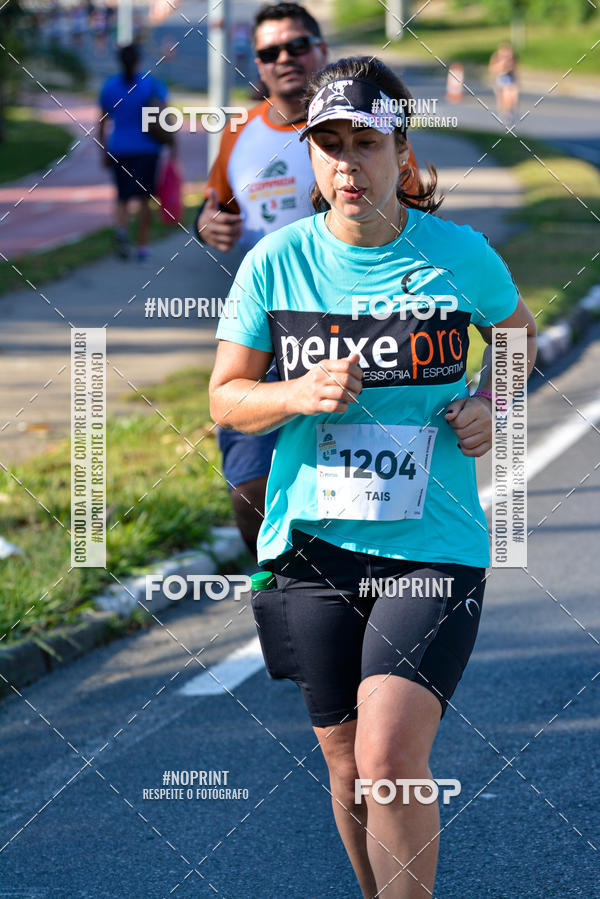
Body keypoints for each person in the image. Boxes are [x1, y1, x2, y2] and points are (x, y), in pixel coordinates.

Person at [209, 57, 537, 896]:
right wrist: (294, 391)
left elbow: (517, 339)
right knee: (348, 763)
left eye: (366, 143)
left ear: (402, 152)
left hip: (434, 542)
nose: (347, 165)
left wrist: (492, 404)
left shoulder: (459, 255)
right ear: (309, 156)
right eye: (329, 146)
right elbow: (227, 397)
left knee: (391, 754)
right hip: (314, 544)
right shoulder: (275, 264)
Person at [197, 2, 419, 558]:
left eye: (297, 46)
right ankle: (293, 597)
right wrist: (209, 225)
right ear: (258, 65)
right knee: (250, 492)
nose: (285, 59)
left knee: (368, 490)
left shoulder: (365, 125)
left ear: (321, 51)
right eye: (270, 52)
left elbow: (414, 211)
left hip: (360, 329)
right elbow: (213, 205)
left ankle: (365, 598)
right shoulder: (239, 132)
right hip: (267, 332)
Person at [98, 44, 174, 261]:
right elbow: (165, 116)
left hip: (119, 148)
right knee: (143, 199)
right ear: (139, 60)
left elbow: (102, 122)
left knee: (121, 197)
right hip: (147, 150)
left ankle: (121, 232)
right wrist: (172, 145)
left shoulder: (109, 87)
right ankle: (142, 247)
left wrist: (104, 150)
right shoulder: (150, 85)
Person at [489, 43, 519, 126]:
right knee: (505, 93)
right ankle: (504, 113)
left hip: (510, 80)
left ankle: (511, 111)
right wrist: (502, 65)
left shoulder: (512, 59)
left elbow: (515, 71)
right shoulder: (497, 58)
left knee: (513, 92)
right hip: (500, 79)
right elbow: (492, 70)